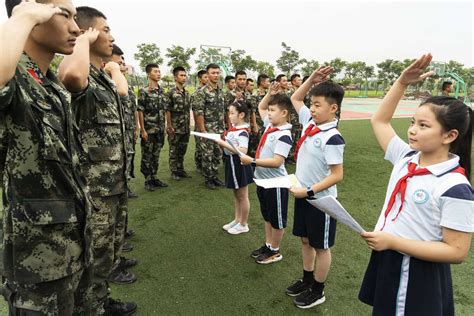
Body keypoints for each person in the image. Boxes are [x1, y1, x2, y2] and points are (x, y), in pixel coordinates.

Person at [359, 54, 473, 315]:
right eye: (412, 123)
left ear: (449, 135)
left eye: (423, 125)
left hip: (417, 270)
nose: (412, 130)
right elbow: (379, 121)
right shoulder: (406, 157)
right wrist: (401, 83)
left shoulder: (454, 186)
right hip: (389, 257)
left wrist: (393, 242)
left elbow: (457, 251)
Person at [0, 1, 93, 314]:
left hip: (72, 244)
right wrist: (21, 16)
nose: (76, 28)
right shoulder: (15, 80)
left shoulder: (49, 84)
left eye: (74, 17)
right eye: (63, 15)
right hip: (36, 260)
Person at [58, 6, 137, 314]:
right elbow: (73, 77)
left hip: (113, 185)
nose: (111, 36)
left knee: (108, 254)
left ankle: (101, 301)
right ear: (89, 32)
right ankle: (92, 308)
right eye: (105, 30)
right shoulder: (82, 75)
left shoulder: (101, 78)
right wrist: (82, 40)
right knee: (95, 256)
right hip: (95, 191)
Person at [287, 66, 346, 309]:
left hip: (321, 201)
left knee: (321, 246)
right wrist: (312, 79)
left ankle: (318, 290)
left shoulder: (332, 136)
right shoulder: (310, 123)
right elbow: (295, 98)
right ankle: (308, 278)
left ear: (333, 108)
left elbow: (337, 175)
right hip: (304, 195)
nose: (311, 108)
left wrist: (309, 191)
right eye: (312, 104)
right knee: (305, 240)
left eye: (318, 104)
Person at [241, 82, 293, 264]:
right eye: (269, 111)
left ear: (284, 113)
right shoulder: (271, 126)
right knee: (268, 216)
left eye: (273, 110)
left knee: (277, 220)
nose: (268, 113)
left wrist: (252, 161)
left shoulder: (284, 134)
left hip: (276, 183)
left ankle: (275, 251)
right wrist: (270, 94)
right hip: (263, 181)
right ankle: (268, 245)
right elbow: (261, 106)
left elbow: (277, 161)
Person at [215, 102, 253, 235]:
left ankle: (243, 223)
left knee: (242, 196)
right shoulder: (234, 128)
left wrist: (224, 144)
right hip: (231, 163)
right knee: (236, 195)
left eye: (232, 113)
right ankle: (237, 219)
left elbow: (243, 150)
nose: (229, 116)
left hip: (239, 165)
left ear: (241, 115)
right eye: (229, 113)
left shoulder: (242, 131)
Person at [194, 63, 226, 189]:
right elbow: (199, 112)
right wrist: (202, 131)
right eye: (213, 73)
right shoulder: (201, 92)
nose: (216, 75)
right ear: (207, 75)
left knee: (217, 154)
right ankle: (208, 179)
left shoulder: (219, 91)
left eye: (218, 73)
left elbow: (222, 111)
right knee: (207, 155)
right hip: (207, 129)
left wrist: (223, 129)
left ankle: (214, 176)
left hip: (218, 129)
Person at [137, 63, 169, 191]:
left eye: (159, 71)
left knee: (156, 154)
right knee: (147, 155)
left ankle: (154, 177)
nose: (159, 73)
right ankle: (147, 179)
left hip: (159, 130)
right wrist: (143, 130)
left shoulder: (162, 91)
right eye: (156, 71)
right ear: (149, 74)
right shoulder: (143, 91)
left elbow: (164, 110)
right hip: (149, 130)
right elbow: (140, 110)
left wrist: (165, 127)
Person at [166, 66, 192, 180]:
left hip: (185, 127)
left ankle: (180, 169)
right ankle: (174, 171)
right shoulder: (171, 93)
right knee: (174, 150)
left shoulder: (186, 93)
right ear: (175, 77)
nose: (184, 77)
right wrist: (170, 126)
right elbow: (167, 110)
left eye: (185, 75)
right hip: (175, 127)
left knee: (182, 149)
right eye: (181, 75)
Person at [248, 74, 270, 156]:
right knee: (255, 146)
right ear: (262, 82)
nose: (269, 83)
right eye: (267, 81)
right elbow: (252, 111)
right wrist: (254, 125)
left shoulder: (268, 94)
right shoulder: (255, 95)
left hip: (266, 122)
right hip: (258, 123)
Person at [191, 69, 208, 174]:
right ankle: (199, 165)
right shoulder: (197, 93)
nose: (207, 79)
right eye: (205, 77)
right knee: (200, 147)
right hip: (199, 124)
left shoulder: (210, 92)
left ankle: (206, 165)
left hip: (209, 124)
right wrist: (198, 126)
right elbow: (195, 111)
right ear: (200, 79)